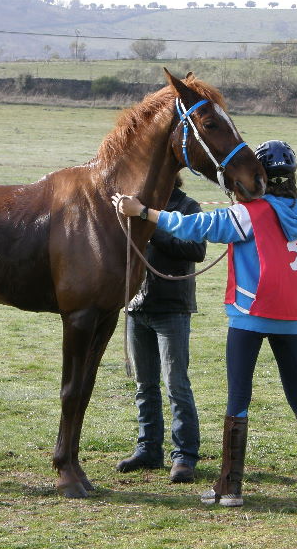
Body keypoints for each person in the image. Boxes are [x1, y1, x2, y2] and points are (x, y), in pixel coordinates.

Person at [112, 140, 297, 506]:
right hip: (291, 317)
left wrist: (143, 213)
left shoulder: (251, 213)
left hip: (250, 315)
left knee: (239, 400)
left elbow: (191, 227)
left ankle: (229, 487)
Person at [115, 175, 207, 483]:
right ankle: (149, 449)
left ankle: (184, 456)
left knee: (176, 385)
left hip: (171, 307)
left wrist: (150, 227)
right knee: (145, 385)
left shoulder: (187, 207)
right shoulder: (134, 206)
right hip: (136, 304)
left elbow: (196, 249)